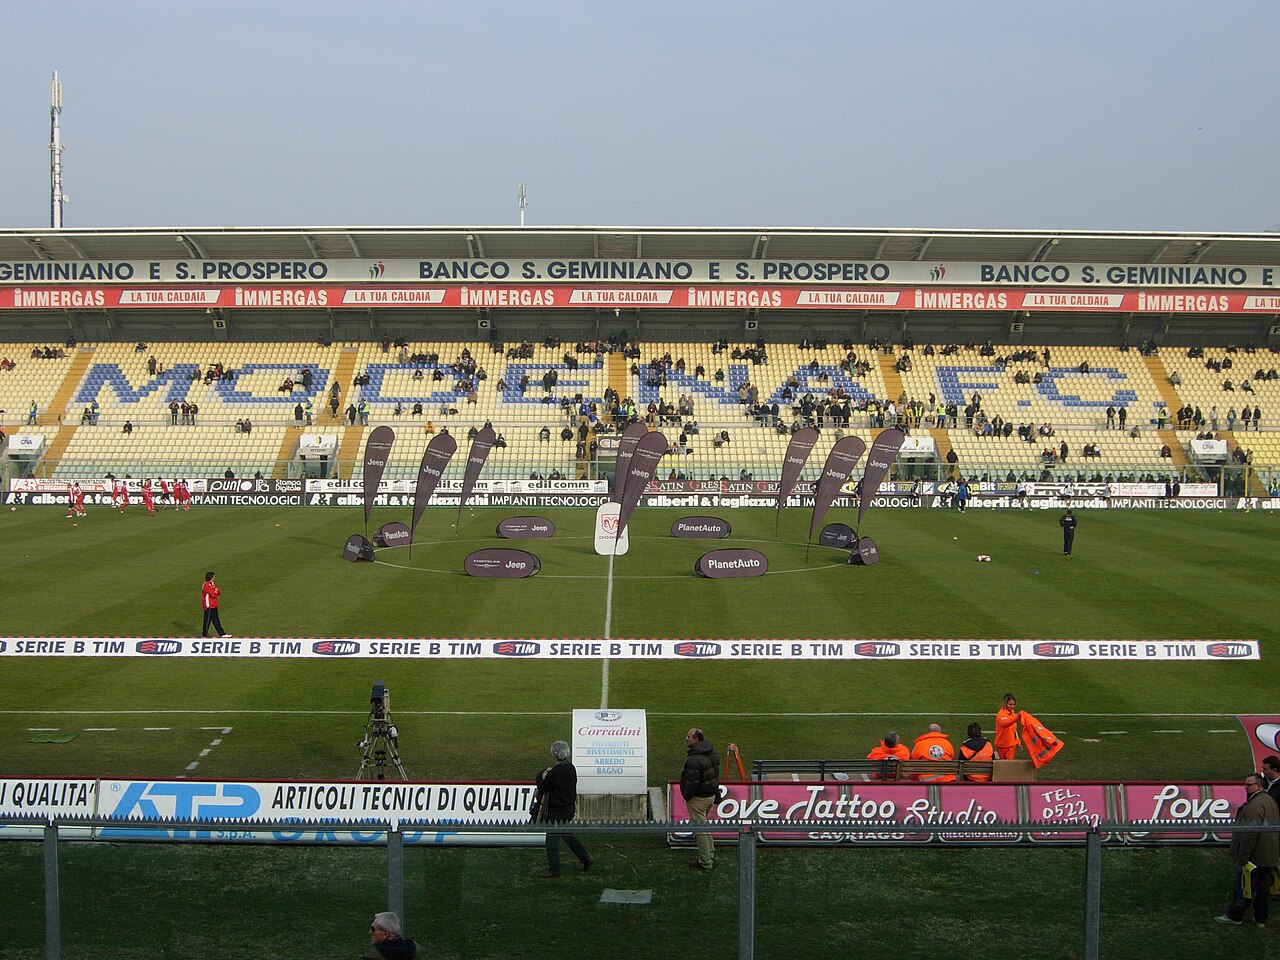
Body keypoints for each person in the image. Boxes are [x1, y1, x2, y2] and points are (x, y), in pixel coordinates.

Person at [1215, 771, 1279, 926]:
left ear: (1258, 785)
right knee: (1262, 888)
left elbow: (1250, 833)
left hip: (1254, 855)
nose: (1245, 787)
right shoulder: (1269, 800)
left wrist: (1243, 856)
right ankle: (1260, 918)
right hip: (1267, 853)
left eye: (1249, 784)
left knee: (1244, 887)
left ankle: (1234, 916)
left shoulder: (1255, 805)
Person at [534, 740, 591, 876]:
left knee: (551, 840)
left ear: (555, 754)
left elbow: (542, 786)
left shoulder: (555, 772)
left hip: (557, 811)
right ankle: (585, 858)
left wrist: (539, 775)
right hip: (569, 808)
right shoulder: (571, 768)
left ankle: (554, 869)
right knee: (566, 835)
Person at [680, 727, 720, 870]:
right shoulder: (712, 752)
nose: (686, 739)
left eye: (688, 737)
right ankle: (710, 853)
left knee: (700, 830)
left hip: (698, 799)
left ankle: (705, 862)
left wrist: (687, 795)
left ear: (696, 739)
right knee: (704, 825)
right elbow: (715, 774)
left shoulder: (694, 759)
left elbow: (692, 781)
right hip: (710, 795)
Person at [201, 571, 229, 639]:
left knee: (215, 619)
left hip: (213, 605)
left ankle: (221, 633)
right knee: (207, 620)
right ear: (211, 577)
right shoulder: (207, 585)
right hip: (209, 605)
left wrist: (215, 591)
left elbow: (218, 592)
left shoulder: (212, 584)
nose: (214, 578)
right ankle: (205, 633)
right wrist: (215, 591)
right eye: (214, 577)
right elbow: (213, 594)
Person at [995, 694, 1021, 760]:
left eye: (1013, 704)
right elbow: (1005, 723)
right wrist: (1017, 717)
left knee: (1009, 766)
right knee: (1003, 765)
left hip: (1011, 745)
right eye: (1010, 704)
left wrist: (1018, 742)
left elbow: (1015, 731)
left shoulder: (1013, 715)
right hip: (1001, 745)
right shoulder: (1001, 714)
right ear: (1005, 704)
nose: (1012, 706)